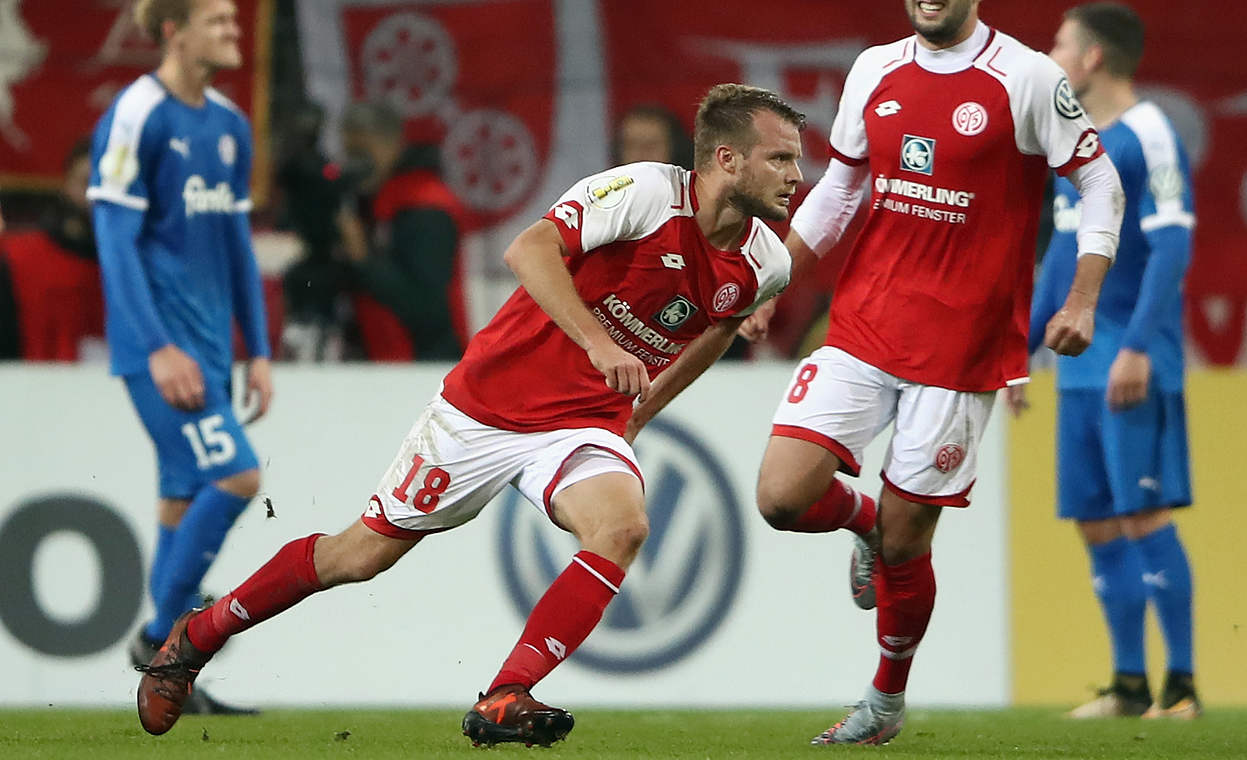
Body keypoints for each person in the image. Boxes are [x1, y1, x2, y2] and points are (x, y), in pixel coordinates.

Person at [132, 83, 802, 745]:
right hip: (485, 406)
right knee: (357, 557)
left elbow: (720, 326)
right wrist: (599, 342)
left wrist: (645, 407)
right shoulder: (646, 193)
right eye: (780, 159)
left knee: (622, 527)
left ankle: (507, 693)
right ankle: (197, 635)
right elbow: (528, 249)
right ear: (725, 159)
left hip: (583, 422)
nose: (796, 176)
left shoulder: (765, 261)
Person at [739, 0, 1125, 745]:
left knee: (908, 544)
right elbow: (843, 190)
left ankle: (884, 702)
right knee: (782, 497)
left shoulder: (1029, 78)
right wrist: (774, 278)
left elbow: (1101, 184)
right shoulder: (873, 68)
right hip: (864, 326)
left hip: (962, 351)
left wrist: (1083, 299)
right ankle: (863, 523)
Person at [1008, 2, 1199, 720]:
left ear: (1091, 59)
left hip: (1132, 361)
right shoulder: (1078, 144)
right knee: (1095, 521)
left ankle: (1180, 687)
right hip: (1081, 366)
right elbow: (1063, 254)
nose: (1050, 55)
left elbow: (1173, 245)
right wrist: (1020, 354)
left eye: (1060, 44)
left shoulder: (1149, 133)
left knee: (1144, 513)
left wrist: (1141, 347)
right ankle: (1127, 686)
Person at [88, 0, 271, 716]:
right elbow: (114, 239)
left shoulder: (229, 124)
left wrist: (256, 349)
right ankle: (162, 643)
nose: (233, 33)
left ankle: (174, 681)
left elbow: (234, 246)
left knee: (182, 495)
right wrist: (157, 346)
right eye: (219, 21)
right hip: (159, 351)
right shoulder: (137, 115)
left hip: (208, 353)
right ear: (173, 29)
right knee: (236, 475)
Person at [334, 100, 470, 361]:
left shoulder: (426, 206)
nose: (357, 164)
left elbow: (428, 308)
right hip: (382, 362)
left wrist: (363, 259)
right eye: (350, 153)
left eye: (364, 152)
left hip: (424, 367)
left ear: (394, 143)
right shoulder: (369, 200)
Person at [2, 137, 104, 360]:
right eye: (88, 183)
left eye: (108, 185)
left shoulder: (147, 271)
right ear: (66, 185)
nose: (97, 196)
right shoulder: (16, 259)